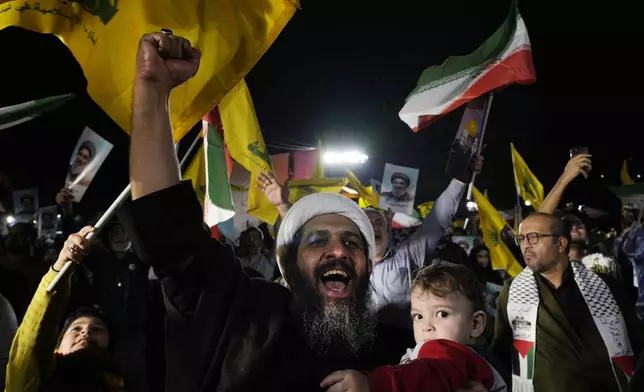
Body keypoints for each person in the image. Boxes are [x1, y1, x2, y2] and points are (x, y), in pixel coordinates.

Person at [120, 31, 421, 391]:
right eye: (317, 241)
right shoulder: (244, 312)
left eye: (352, 244)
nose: (338, 251)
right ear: (290, 265)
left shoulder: (397, 356)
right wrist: (152, 93)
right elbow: (169, 229)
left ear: (369, 267)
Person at [492, 212, 644, 392]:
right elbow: (501, 351)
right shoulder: (513, 292)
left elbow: (636, 341)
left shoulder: (605, 286)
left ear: (561, 243)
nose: (525, 245)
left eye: (533, 238)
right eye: (521, 239)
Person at [321, 262, 509, 392]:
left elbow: (428, 374)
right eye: (418, 316)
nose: (427, 326)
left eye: (442, 314)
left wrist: (373, 383)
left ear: (475, 324)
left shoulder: (452, 355)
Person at [5, 226, 125, 391]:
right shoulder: (32, 381)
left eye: (97, 329)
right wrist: (62, 266)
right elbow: (34, 337)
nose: (86, 333)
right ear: (56, 348)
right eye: (75, 328)